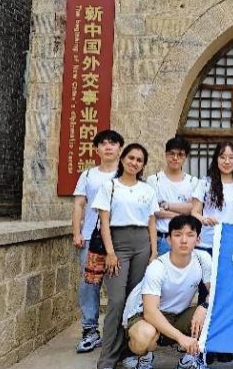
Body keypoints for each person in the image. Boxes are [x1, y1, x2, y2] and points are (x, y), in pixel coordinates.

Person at [92, 143, 159, 369]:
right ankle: (107, 357)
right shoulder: (110, 186)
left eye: (139, 160)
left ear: (143, 165)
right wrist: (110, 252)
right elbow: (104, 223)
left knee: (134, 301)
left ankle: (127, 351)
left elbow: (151, 222)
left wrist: (154, 252)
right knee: (117, 301)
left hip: (142, 244)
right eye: (131, 158)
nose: (134, 163)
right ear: (122, 159)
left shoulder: (147, 190)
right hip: (117, 244)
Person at [123, 215, 211, 369]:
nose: (184, 240)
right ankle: (144, 358)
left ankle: (189, 360)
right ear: (169, 240)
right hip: (145, 316)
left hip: (178, 315)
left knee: (213, 315)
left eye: (190, 235)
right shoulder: (157, 267)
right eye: (178, 235)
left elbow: (216, 291)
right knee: (145, 335)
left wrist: (204, 306)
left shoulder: (202, 258)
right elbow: (150, 312)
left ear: (198, 240)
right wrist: (181, 338)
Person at [191, 142, 233, 363]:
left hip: (231, 247)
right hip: (207, 245)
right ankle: (203, 345)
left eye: (231, 157)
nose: (227, 161)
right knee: (206, 294)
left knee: (226, 295)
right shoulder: (205, 183)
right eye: (222, 157)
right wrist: (203, 219)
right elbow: (194, 212)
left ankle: (221, 342)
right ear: (216, 159)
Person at [72, 129, 124, 353]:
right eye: (104, 143)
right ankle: (90, 330)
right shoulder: (88, 175)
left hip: (119, 239)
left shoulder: (126, 174)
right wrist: (77, 232)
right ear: (97, 149)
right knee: (89, 285)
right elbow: (79, 204)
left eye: (113, 143)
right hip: (91, 239)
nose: (108, 147)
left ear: (120, 148)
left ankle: (117, 332)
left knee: (119, 286)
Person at [147, 136, 198, 256]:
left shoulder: (193, 181)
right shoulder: (154, 180)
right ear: (165, 155)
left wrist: (166, 206)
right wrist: (182, 214)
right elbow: (154, 211)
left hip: (185, 240)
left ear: (185, 157)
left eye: (180, 155)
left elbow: (193, 209)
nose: (175, 158)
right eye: (172, 154)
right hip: (162, 238)